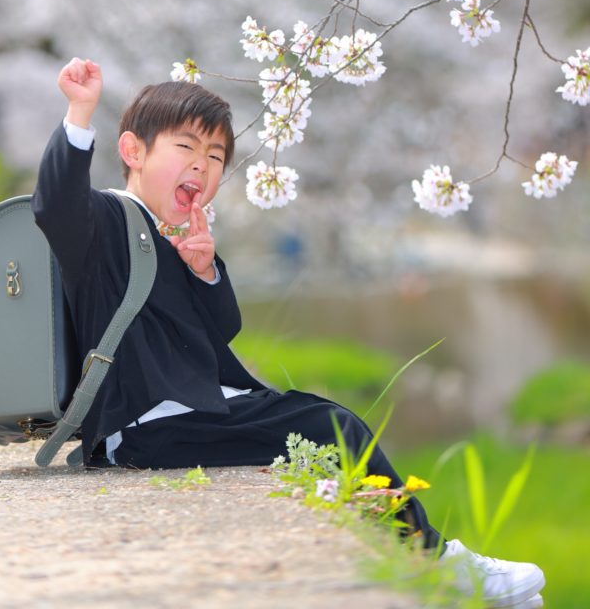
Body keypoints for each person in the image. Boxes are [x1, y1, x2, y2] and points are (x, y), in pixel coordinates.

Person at [32, 57, 546, 609]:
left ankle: (422, 559)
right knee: (333, 427)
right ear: (133, 152)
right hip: (143, 427)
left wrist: (203, 270)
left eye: (215, 157)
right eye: (185, 148)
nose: (201, 167)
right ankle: (440, 564)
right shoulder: (109, 219)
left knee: (327, 428)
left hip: (178, 417)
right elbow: (55, 207)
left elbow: (220, 329)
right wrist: (79, 112)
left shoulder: (168, 233)